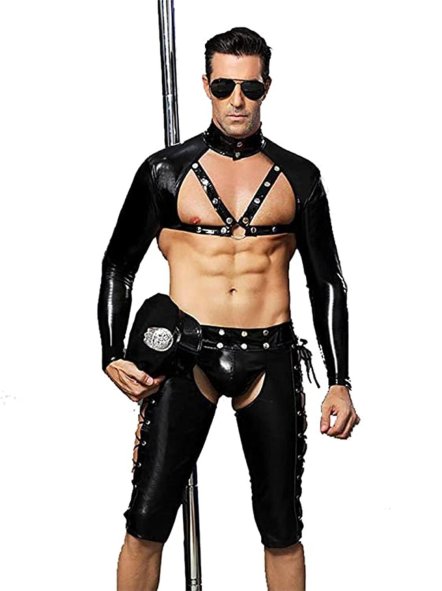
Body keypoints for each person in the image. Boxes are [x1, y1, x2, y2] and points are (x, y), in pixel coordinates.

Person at [98, 26, 360, 591]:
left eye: (250, 88)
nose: (237, 100)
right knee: (146, 520)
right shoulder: (165, 171)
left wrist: (339, 380)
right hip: (185, 355)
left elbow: (326, 281)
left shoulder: (299, 176)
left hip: (269, 353)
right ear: (206, 86)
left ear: (266, 87)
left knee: (282, 528)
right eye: (224, 87)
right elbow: (119, 263)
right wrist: (112, 352)